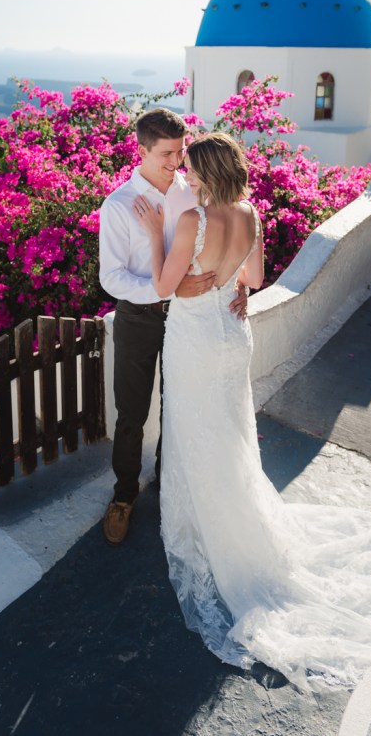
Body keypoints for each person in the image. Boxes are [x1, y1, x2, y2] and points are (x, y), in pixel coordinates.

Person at [134, 132, 371, 694]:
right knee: (230, 437)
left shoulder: (192, 219)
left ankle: (212, 535)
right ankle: (237, 528)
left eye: (191, 169)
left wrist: (149, 232)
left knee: (197, 438)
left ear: (208, 175)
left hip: (194, 341)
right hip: (233, 338)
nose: (184, 176)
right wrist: (229, 288)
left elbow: (165, 288)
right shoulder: (250, 214)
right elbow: (255, 282)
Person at [98, 108, 246, 546]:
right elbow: (111, 277)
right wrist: (166, 290)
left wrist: (239, 286)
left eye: (180, 152)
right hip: (140, 318)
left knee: (178, 405)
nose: (175, 163)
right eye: (165, 154)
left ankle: (168, 486)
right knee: (132, 412)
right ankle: (124, 497)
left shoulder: (194, 191)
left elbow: (224, 237)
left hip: (190, 321)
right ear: (140, 150)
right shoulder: (119, 205)